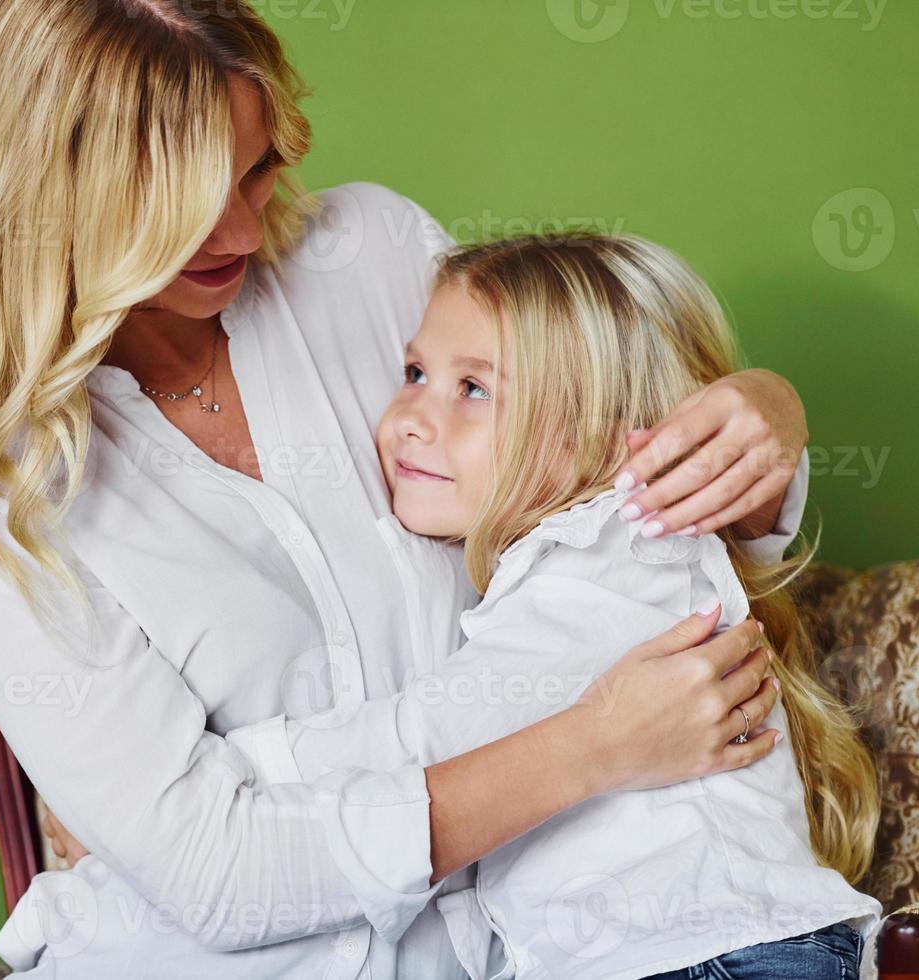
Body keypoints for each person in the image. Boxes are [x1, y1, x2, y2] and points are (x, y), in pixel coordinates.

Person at [0, 2, 814, 976]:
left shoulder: (371, 255)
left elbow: (593, 477)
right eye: (185, 200)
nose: (239, 227)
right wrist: (592, 747)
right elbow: (216, 871)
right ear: (46, 194)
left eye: (258, 166)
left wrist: (764, 411)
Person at [218, 231, 881, 978]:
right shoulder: (587, 559)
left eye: (474, 389)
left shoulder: (615, 550)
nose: (411, 416)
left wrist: (231, 770)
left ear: (610, 435)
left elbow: (432, 734)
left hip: (707, 958)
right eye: (414, 371)